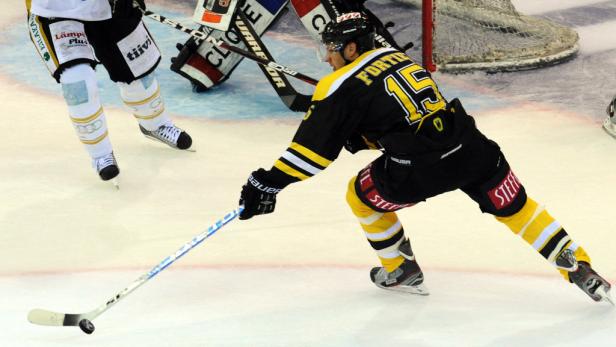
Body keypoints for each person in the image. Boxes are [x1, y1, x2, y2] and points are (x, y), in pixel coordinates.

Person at [237, 12, 613, 303]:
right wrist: (362, 134)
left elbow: (311, 156)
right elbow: (406, 113)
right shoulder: (397, 57)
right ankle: (577, 265)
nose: (328, 59)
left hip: (418, 171)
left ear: (351, 49)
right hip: (471, 148)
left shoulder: (336, 85)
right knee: (517, 208)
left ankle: (400, 269)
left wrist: (267, 182)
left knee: (361, 196)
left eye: (332, 50)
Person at [26, 0, 193, 186]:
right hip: (54, 11)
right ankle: (101, 155)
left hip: (108, 7)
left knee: (139, 70)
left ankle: (156, 125)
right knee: (78, 82)